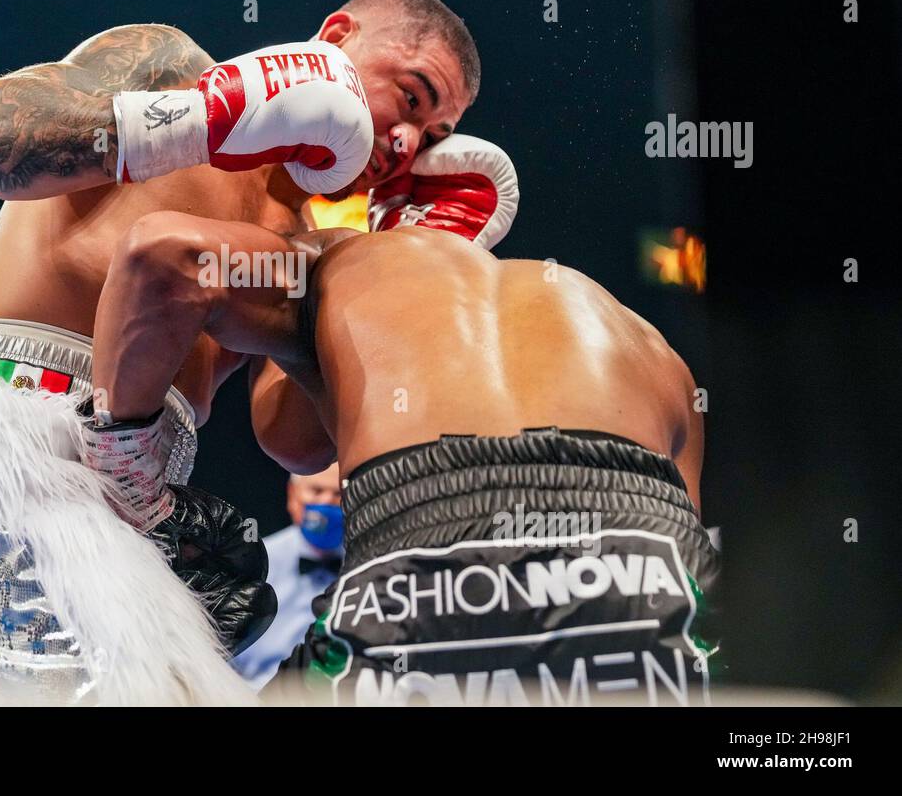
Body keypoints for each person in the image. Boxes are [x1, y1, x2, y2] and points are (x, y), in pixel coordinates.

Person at [0, 0, 518, 703]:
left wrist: (404, 265)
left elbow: (296, 440)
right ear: (339, 34)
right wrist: (197, 121)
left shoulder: (302, 240)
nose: (411, 142)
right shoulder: (167, 63)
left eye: (436, 138)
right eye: (412, 99)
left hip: (141, 502)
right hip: (9, 442)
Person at [86, 160, 720, 706]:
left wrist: (129, 480)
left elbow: (160, 254)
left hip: (431, 539)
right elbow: (693, 563)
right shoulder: (649, 344)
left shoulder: (344, 261)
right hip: (643, 565)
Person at [232, 465, 345, 689]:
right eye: (316, 491)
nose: (326, 502)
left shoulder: (369, 564)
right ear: (293, 496)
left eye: (338, 494)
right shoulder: (254, 564)